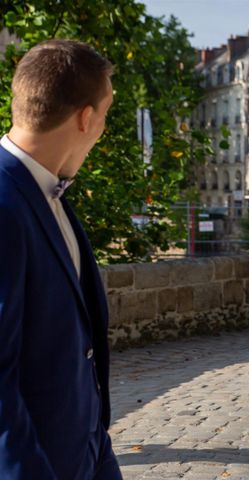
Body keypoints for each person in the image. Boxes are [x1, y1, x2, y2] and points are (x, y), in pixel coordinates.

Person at [0, 39, 122, 479]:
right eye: (104, 116)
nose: (102, 127)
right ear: (86, 118)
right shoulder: (3, 203)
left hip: (86, 455)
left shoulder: (45, 191)